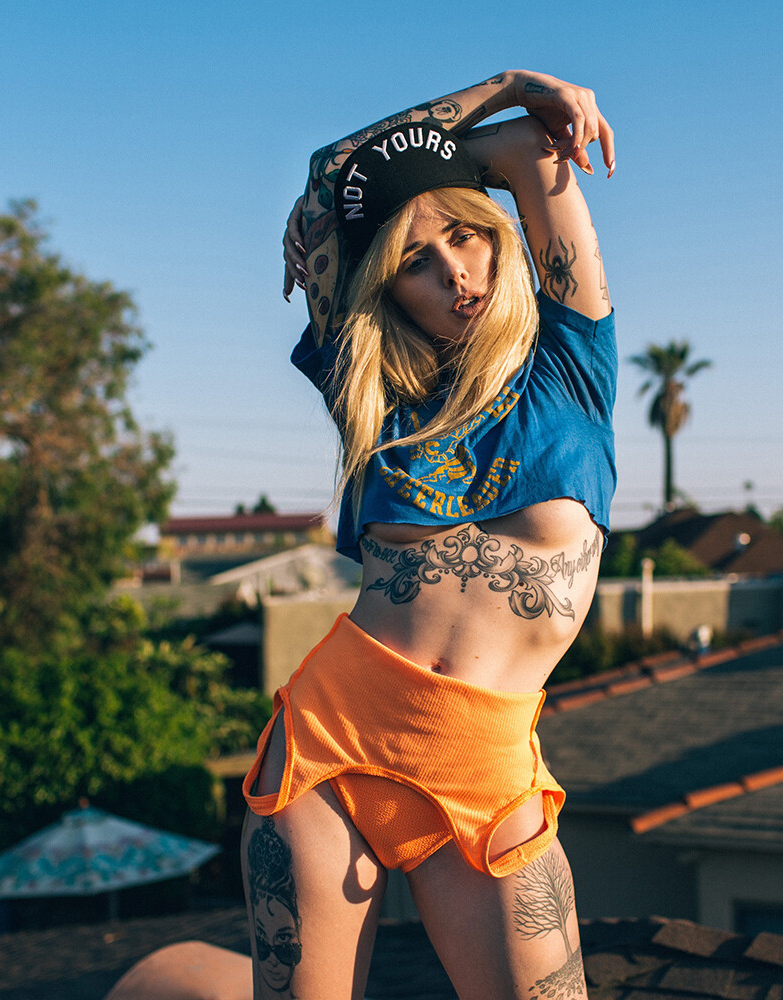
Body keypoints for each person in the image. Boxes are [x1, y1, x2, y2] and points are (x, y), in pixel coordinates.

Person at [245, 69, 616, 1000]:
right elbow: (332, 176)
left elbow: (529, 150)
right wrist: (504, 87)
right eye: (415, 259)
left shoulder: (571, 364)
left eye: (466, 234)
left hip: (487, 766)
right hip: (333, 741)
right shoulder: (372, 394)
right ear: (391, 289)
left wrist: (460, 154)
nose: (454, 270)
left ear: (498, 234)